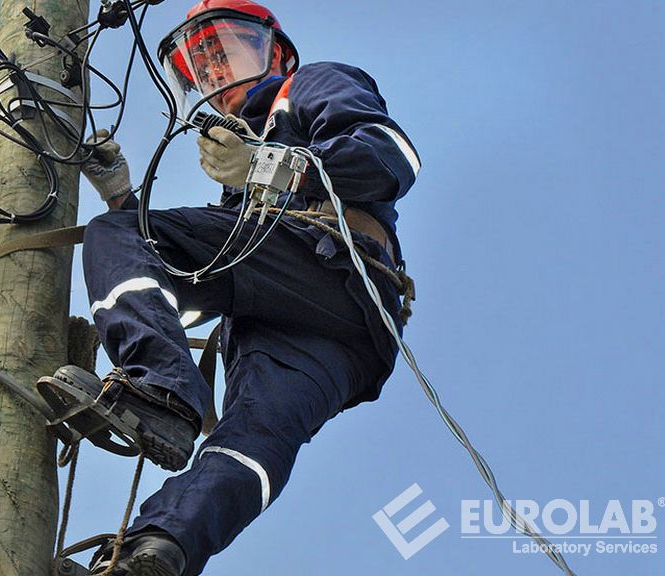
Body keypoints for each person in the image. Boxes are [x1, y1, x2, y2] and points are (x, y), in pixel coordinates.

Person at [64, 1, 421, 574]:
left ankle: (163, 393)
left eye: (223, 50)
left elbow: (390, 159)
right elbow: (180, 280)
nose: (214, 72)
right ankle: (157, 552)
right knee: (252, 439)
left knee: (117, 237)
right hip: (329, 335)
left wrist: (268, 165)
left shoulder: (309, 86)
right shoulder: (239, 182)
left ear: (272, 50)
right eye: (200, 67)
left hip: (333, 270)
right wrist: (120, 193)